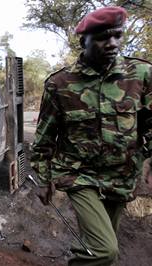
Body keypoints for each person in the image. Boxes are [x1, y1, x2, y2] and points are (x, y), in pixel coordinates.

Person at [30, 6, 152, 266]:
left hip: (122, 176)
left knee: (101, 243)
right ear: (82, 40)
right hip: (78, 174)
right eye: (102, 37)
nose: (112, 43)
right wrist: (43, 178)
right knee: (105, 250)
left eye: (117, 35)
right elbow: (44, 137)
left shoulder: (140, 74)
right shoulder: (60, 84)